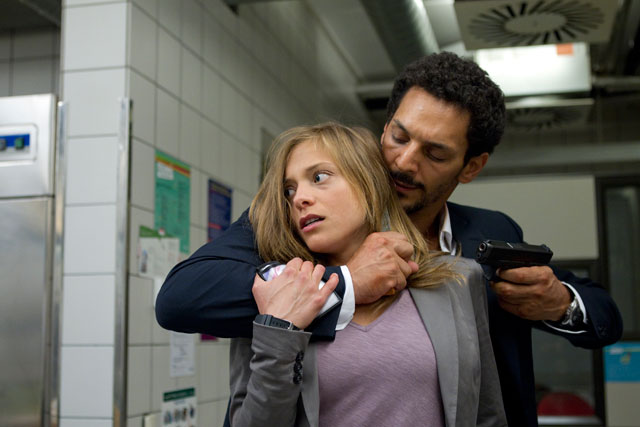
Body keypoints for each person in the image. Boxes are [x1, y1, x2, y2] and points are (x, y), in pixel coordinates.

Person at [156, 52, 623, 427]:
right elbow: (181, 298)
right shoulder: (296, 230)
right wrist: (346, 283)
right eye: (399, 137)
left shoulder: (489, 235)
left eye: (434, 152)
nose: (402, 162)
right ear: (385, 128)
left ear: (471, 167)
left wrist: (559, 302)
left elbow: (603, 313)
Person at [228, 122, 506, 426]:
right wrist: (280, 331)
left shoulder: (458, 281)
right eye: (289, 190)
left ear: (369, 182)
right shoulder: (275, 292)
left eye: (319, 177)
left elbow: (487, 415)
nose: (299, 199)